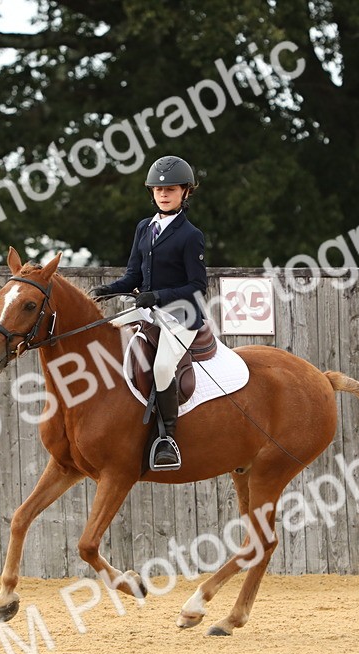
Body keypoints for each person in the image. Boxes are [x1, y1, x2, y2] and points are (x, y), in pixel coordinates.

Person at [91, 155, 208, 470]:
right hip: (149, 311)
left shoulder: (190, 235)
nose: (164, 194)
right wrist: (109, 289)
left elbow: (198, 286)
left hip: (182, 316)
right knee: (107, 334)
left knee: (161, 367)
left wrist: (158, 295)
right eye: (158, 190)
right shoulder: (145, 227)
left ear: (185, 192)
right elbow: (133, 276)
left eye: (170, 189)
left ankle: (167, 439)